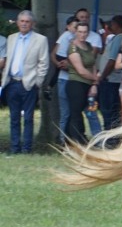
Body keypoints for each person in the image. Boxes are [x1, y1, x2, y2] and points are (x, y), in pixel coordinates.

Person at [1, 11, 50, 154]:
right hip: (12, 82)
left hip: (28, 83)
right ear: (17, 22)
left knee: (28, 118)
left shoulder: (40, 40)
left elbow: (44, 63)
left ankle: (27, 149)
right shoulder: (11, 38)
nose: (23, 23)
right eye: (21, 21)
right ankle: (14, 148)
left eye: (27, 21)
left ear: (32, 24)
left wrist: (37, 82)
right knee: (14, 118)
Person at [64, 22, 100, 144]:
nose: (82, 35)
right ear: (76, 32)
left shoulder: (89, 46)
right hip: (76, 84)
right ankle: (77, 140)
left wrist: (94, 84)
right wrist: (95, 79)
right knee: (76, 114)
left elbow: (93, 64)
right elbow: (81, 70)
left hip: (88, 84)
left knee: (78, 112)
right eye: (80, 32)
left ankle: (68, 138)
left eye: (85, 32)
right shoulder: (73, 47)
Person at [94, 15, 122, 131]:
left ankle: (110, 139)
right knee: (110, 111)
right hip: (111, 81)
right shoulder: (116, 38)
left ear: (116, 25)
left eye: (111, 24)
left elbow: (111, 60)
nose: (109, 27)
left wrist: (103, 77)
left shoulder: (119, 38)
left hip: (111, 81)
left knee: (109, 111)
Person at [51, 16, 79, 140]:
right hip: (65, 79)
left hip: (74, 79)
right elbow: (60, 58)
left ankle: (71, 137)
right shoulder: (66, 37)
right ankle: (63, 139)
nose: (76, 30)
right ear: (68, 27)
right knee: (66, 112)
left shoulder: (78, 39)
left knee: (72, 112)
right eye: (75, 27)